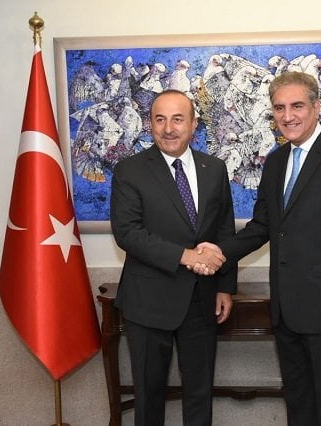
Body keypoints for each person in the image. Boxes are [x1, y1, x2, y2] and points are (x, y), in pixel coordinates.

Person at [197, 71, 321, 426]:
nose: (287, 115)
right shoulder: (277, 162)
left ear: (317, 107)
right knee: (298, 404)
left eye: (297, 106)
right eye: (279, 108)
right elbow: (263, 227)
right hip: (286, 312)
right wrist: (218, 251)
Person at [110, 89, 237, 426]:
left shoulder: (215, 168)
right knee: (149, 396)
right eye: (160, 119)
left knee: (200, 393)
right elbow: (128, 233)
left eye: (178, 119)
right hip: (148, 301)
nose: (169, 128)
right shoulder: (130, 170)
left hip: (202, 299)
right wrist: (186, 256)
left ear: (194, 124)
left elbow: (225, 230)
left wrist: (226, 287)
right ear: (149, 124)